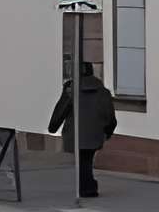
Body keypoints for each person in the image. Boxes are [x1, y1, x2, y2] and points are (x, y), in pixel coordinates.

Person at [48, 59, 116, 199]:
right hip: (95, 133)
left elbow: (61, 110)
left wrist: (53, 127)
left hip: (75, 133)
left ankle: (87, 188)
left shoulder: (71, 89)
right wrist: (108, 131)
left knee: (83, 160)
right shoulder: (102, 91)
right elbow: (109, 115)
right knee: (87, 160)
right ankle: (88, 186)